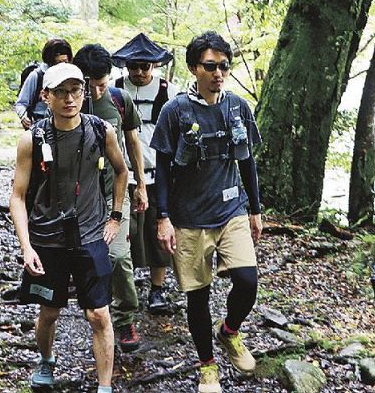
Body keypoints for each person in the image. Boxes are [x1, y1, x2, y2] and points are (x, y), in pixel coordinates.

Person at [151, 31, 263, 393]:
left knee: (247, 281)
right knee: (197, 295)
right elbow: (163, 169)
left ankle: (229, 331)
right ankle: (207, 366)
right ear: (193, 67)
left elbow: (248, 164)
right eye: (211, 66)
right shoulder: (175, 111)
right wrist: (163, 217)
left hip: (231, 209)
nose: (219, 73)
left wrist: (256, 210)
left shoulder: (238, 108)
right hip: (189, 218)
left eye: (224, 66)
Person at [10, 62, 128, 393]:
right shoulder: (31, 140)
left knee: (99, 316)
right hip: (49, 238)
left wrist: (115, 216)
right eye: (60, 92)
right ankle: (46, 361)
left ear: (84, 92)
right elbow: (17, 198)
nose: (69, 99)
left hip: (91, 236)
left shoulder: (101, 130)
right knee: (49, 312)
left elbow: (121, 171)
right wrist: (26, 247)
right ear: (46, 96)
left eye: (75, 90)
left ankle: (104, 386)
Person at [72, 44, 148, 353]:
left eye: (104, 83)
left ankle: (125, 315)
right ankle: (95, 309)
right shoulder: (68, 103)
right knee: (87, 258)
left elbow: (132, 141)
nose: (100, 90)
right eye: (94, 86)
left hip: (115, 192)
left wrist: (140, 183)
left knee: (118, 256)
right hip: (78, 199)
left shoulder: (119, 100)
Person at [112, 33, 178, 313]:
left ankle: (157, 290)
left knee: (157, 233)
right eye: (133, 66)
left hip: (158, 174)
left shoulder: (169, 93)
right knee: (123, 233)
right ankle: (119, 290)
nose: (139, 72)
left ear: (155, 66)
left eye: (145, 67)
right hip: (118, 175)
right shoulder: (114, 90)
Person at [15, 38, 73, 129]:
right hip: (39, 123)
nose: (62, 66)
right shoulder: (36, 76)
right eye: (58, 62)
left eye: (65, 62)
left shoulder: (71, 75)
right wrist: (23, 116)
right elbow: (21, 103)